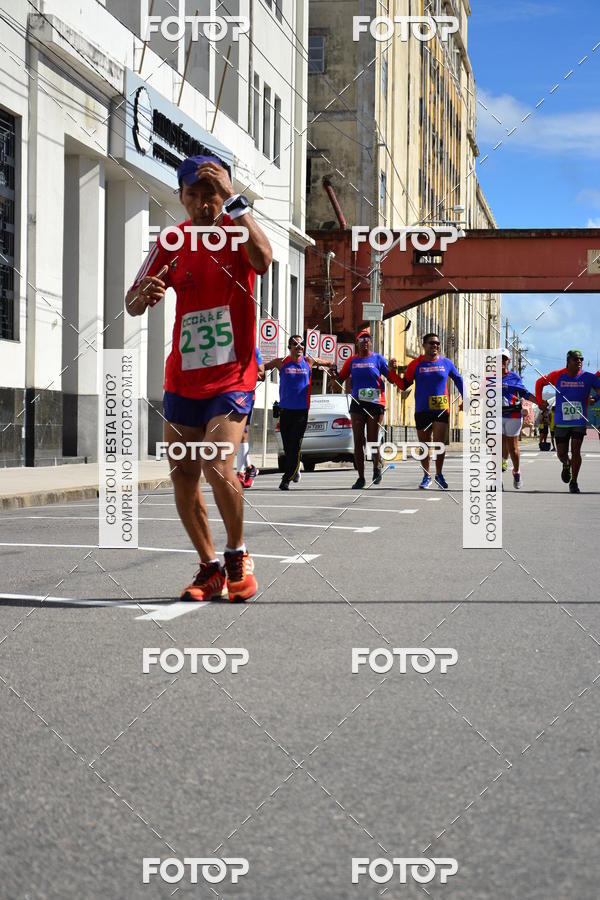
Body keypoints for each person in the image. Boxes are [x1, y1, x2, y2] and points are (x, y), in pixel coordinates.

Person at [125, 154, 272, 600]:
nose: (204, 203)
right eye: (194, 195)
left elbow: (263, 260)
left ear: (224, 193)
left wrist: (236, 202)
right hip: (183, 379)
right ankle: (209, 566)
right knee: (184, 474)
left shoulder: (237, 231)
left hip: (233, 376)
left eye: (212, 194)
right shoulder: (173, 241)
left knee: (216, 462)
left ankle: (237, 553)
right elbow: (131, 301)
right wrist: (142, 294)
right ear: (182, 197)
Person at [335, 330, 404, 489]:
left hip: (375, 402)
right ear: (357, 342)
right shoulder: (351, 361)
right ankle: (360, 477)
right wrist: (334, 379)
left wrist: (393, 369)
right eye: (362, 338)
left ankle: (376, 466)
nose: (365, 341)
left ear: (370, 342)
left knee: (372, 439)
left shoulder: (378, 359)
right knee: (358, 440)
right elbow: (340, 378)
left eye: (368, 338)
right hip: (358, 403)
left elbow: (391, 380)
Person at [264, 335, 333, 490]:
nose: (299, 346)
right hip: (285, 410)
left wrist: (332, 368)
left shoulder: (308, 362)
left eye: (302, 344)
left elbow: (327, 363)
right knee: (288, 447)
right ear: (289, 347)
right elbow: (263, 368)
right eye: (295, 344)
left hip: (301, 411)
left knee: (295, 444)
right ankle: (295, 468)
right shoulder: (281, 363)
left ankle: (286, 479)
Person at [394, 333, 463, 490]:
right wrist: (392, 373)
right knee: (424, 445)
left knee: (439, 444)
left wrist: (466, 398)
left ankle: (439, 474)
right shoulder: (416, 364)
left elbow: (458, 379)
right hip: (422, 409)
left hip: (441, 409)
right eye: (432, 343)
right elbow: (404, 384)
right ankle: (426, 476)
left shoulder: (446, 363)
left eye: (438, 343)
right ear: (423, 345)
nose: (435, 346)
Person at [535, 350, 600, 494]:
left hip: (579, 421)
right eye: (576, 359)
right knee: (561, 453)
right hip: (561, 421)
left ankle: (574, 482)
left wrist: (595, 398)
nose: (579, 362)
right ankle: (566, 463)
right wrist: (539, 401)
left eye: (581, 359)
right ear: (568, 361)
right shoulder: (557, 374)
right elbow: (539, 382)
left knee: (576, 451)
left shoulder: (587, 377)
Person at [501, 350, 538, 489]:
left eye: (504, 359)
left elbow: (525, 393)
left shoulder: (514, 377)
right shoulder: (489, 378)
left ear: (508, 361)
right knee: (498, 446)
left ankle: (516, 471)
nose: (501, 361)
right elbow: (480, 392)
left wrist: (538, 402)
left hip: (513, 415)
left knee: (513, 448)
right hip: (496, 416)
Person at [237, 347, 265, 488]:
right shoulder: (222, 345)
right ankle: (249, 468)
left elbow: (262, 374)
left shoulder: (252, 349)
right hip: (225, 395)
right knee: (232, 435)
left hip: (245, 395)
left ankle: (240, 472)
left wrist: (244, 373)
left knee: (242, 433)